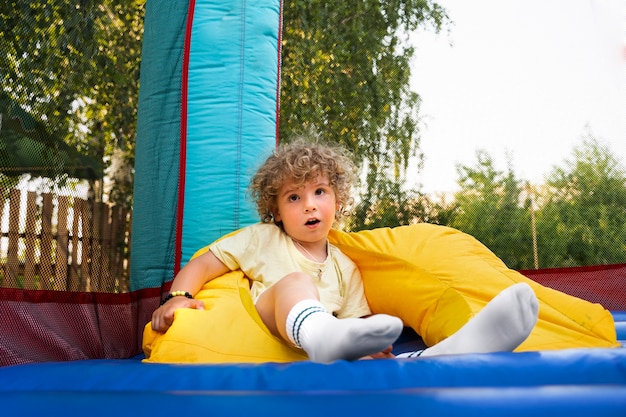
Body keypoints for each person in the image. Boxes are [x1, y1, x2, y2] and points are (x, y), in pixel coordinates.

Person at [151, 139, 539, 364]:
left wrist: (372, 348)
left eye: (319, 192)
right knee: (296, 281)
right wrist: (178, 297)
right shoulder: (264, 239)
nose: (309, 205)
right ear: (276, 210)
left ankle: (450, 355)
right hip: (267, 325)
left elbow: (357, 324)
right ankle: (321, 333)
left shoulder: (345, 266)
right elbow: (204, 263)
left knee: (378, 358)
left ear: (337, 198)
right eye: (293, 197)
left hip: (317, 348)